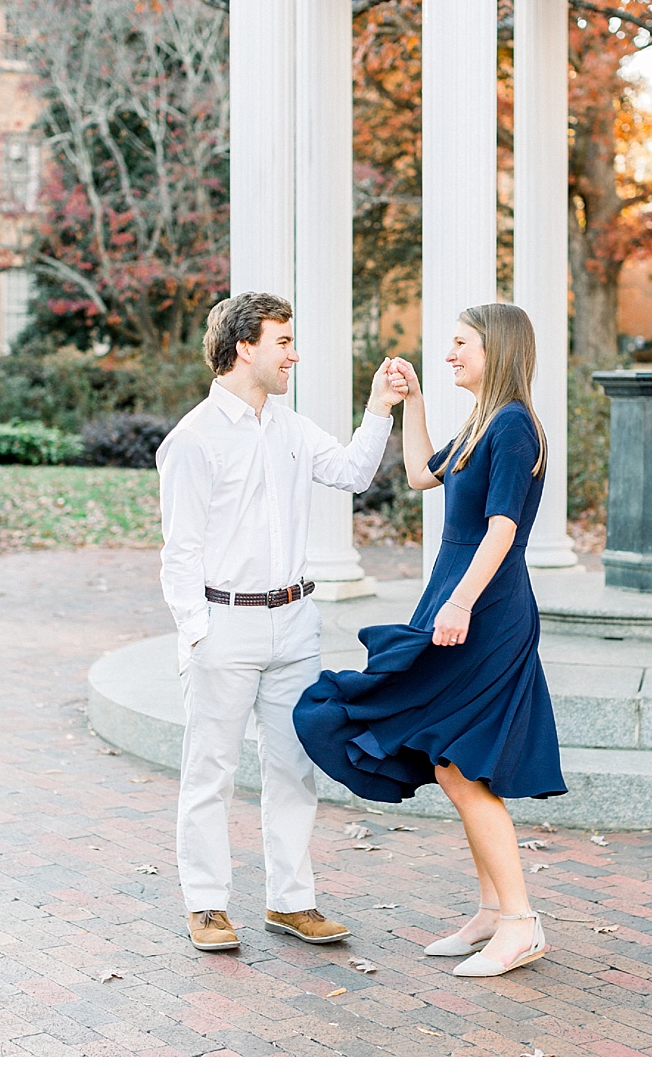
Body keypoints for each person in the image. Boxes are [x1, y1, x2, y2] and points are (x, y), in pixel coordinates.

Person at [294, 303, 567, 978]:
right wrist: (409, 401)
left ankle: (522, 923)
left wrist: (461, 601)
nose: (449, 354)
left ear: (495, 349)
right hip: (460, 601)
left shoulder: (512, 428)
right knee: (453, 759)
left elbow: (502, 529)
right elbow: (420, 474)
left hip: (485, 610)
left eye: (460, 344)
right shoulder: (482, 423)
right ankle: (490, 911)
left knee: (460, 762)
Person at [156, 291, 404, 954]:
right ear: (245, 347)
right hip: (224, 624)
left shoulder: (292, 429)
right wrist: (195, 633)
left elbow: (354, 473)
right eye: (284, 341)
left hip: (295, 622)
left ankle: (291, 903)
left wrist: (379, 406)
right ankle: (206, 904)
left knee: (294, 768)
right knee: (209, 771)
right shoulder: (193, 439)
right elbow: (178, 550)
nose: (294, 353)